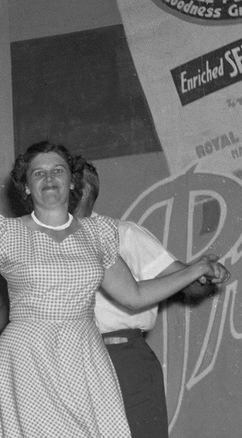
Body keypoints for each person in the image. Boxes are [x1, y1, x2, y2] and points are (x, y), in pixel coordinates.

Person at [0, 141, 229, 437]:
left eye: (57, 170)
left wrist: (196, 268)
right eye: (38, 174)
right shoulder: (8, 233)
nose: (49, 179)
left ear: (72, 181)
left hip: (86, 359)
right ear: (25, 186)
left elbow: (134, 296)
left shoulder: (98, 235)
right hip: (27, 360)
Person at [73, 158, 218, 438]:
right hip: (69, 359)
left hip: (121, 356)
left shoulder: (123, 234)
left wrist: (202, 275)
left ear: (86, 191)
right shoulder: (44, 241)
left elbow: (186, 282)